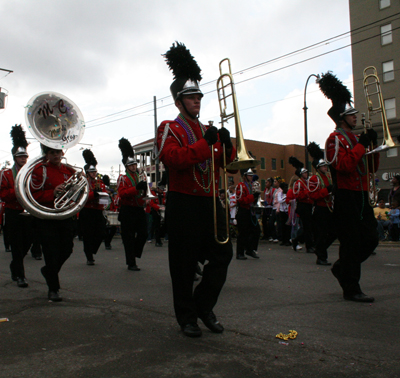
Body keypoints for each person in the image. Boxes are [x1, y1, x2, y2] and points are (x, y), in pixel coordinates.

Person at [155, 42, 235, 337]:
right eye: (191, 96)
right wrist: (206, 143)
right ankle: (187, 317)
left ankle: (203, 304)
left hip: (210, 201)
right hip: (184, 202)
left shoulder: (207, 130)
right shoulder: (169, 128)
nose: (197, 99)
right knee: (184, 264)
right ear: (179, 101)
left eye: (199, 95)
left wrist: (227, 145)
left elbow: (229, 165)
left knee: (222, 256)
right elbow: (175, 159)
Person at [321, 71, 379, 302]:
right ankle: (351, 288)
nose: (356, 117)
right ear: (341, 118)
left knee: (371, 238)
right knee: (351, 242)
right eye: (351, 115)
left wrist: (371, 146)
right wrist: (361, 146)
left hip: (362, 194)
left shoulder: (356, 140)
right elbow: (343, 165)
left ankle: (342, 268)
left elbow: (370, 167)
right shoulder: (334, 139)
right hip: (346, 195)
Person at [31, 145, 77, 301]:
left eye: (58, 152)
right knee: (51, 253)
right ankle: (53, 289)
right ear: (47, 154)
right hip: (47, 217)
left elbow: (78, 192)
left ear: (62, 153)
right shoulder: (40, 170)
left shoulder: (69, 171)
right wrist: (53, 193)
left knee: (67, 249)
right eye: (52, 152)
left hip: (64, 216)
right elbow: (33, 196)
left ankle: (48, 272)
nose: (56, 155)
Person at [0, 125, 33, 288]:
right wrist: (18, 189)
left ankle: (15, 265)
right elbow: (3, 194)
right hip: (13, 211)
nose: (23, 159)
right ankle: (20, 275)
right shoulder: (6, 174)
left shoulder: (31, 172)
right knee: (16, 244)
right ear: (14, 157)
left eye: (25, 156)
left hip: (28, 212)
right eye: (20, 156)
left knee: (27, 242)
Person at [117, 138, 148, 271]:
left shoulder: (141, 176)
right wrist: (136, 188)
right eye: (131, 165)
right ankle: (131, 263)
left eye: (135, 165)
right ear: (127, 167)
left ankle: (134, 253)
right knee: (128, 238)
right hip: (127, 210)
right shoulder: (123, 178)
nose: (134, 167)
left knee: (143, 234)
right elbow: (122, 193)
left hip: (139, 209)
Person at [307, 142, 336, 265]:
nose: (325, 168)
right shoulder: (314, 179)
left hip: (329, 208)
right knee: (322, 234)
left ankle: (320, 249)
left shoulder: (328, 177)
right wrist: (327, 190)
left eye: (326, 166)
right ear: (318, 168)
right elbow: (313, 195)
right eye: (323, 166)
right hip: (320, 209)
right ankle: (321, 257)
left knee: (334, 232)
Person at [80, 150, 108, 265]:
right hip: (87, 211)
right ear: (87, 172)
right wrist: (93, 195)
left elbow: (105, 197)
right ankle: (89, 257)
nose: (94, 173)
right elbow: (82, 197)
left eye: (95, 171)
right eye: (91, 172)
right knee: (88, 235)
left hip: (97, 210)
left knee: (101, 233)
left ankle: (92, 250)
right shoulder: (83, 183)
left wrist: (102, 197)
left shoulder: (100, 183)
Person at [289, 157, 315, 253]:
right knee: (307, 226)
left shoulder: (306, 182)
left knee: (309, 226)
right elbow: (297, 195)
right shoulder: (298, 183)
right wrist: (308, 193)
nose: (306, 174)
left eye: (306, 173)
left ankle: (296, 240)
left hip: (308, 205)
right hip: (303, 205)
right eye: (304, 173)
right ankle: (309, 246)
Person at [236, 169, 261, 259]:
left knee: (256, 230)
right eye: (249, 175)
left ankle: (250, 249)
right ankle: (240, 253)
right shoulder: (240, 186)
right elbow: (241, 200)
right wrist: (252, 197)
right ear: (245, 176)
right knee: (242, 233)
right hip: (243, 211)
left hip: (251, 211)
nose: (251, 177)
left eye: (252, 175)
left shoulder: (251, 186)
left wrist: (256, 197)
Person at [277, 182, 291, 246]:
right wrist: (286, 199)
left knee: (288, 226)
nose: (286, 189)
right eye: (285, 188)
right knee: (282, 226)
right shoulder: (280, 193)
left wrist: (285, 199)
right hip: (282, 211)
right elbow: (280, 201)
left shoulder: (289, 193)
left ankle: (288, 240)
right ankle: (283, 240)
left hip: (288, 211)